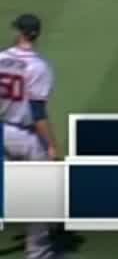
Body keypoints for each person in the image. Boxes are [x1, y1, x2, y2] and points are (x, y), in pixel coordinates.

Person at [2, 13, 60, 259]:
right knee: (39, 192)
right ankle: (38, 252)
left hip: (1, 131)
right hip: (26, 137)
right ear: (36, 34)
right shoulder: (40, 66)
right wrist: (51, 145)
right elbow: (38, 112)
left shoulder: (1, 58)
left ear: (19, 33)